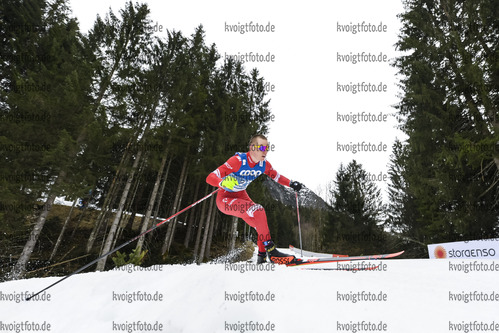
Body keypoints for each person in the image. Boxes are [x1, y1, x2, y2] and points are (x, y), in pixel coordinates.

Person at [206, 134, 303, 264]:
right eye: (262, 147)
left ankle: (261, 256)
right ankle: (272, 251)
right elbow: (210, 177)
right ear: (252, 148)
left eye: (267, 147)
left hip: (241, 194)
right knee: (258, 210)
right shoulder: (238, 161)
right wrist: (222, 183)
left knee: (259, 221)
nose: (265, 151)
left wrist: (291, 183)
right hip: (225, 199)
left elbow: (276, 176)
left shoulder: (263, 164)